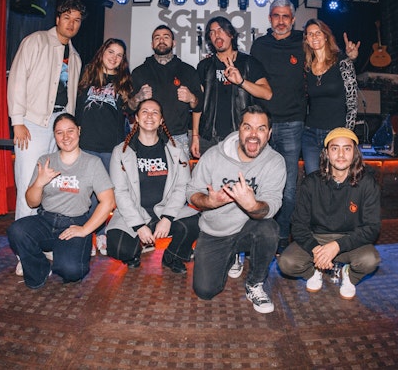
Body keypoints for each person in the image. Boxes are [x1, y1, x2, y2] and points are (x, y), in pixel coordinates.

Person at [250, 0, 359, 254]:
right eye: (276, 16)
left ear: (292, 19)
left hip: (297, 126)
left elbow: (351, 99)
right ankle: (257, 236)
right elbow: (251, 77)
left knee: (292, 187)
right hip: (269, 126)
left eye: (285, 16)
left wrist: (351, 57)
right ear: (269, 18)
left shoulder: (309, 46)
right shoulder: (262, 46)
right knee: (262, 183)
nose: (280, 21)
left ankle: (287, 237)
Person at [187, 105, 286, 314]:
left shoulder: (275, 162)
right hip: (216, 231)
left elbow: (273, 204)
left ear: (269, 133)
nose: (253, 134)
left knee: (269, 229)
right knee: (205, 291)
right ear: (239, 129)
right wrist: (210, 202)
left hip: (247, 229)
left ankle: (255, 283)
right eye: (248, 127)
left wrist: (252, 206)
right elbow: (192, 192)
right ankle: (232, 256)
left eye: (261, 129)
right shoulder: (214, 155)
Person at [6, 113, 116, 289]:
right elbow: (32, 202)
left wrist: (85, 229)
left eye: (70, 131)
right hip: (46, 220)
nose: (65, 137)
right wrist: (39, 183)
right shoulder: (46, 161)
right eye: (59, 133)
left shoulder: (92, 163)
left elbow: (108, 201)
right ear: (54, 136)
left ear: (79, 131)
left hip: (74, 223)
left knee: (71, 271)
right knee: (17, 230)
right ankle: (40, 270)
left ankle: (65, 254)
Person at [277, 127, 381, 300]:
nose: (341, 154)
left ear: (355, 153)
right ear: (326, 153)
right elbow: (298, 225)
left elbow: (372, 228)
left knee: (370, 260)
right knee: (287, 263)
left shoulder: (367, 183)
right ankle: (315, 271)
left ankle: (349, 275)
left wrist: (337, 246)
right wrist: (316, 249)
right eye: (334, 148)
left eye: (347, 148)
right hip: (317, 238)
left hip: (350, 240)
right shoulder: (311, 182)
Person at [8, 0, 85, 221]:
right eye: (67, 18)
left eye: (77, 20)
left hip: (60, 125)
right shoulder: (36, 41)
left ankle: (42, 233)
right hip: (32, 123)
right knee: (29, 181)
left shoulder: (75, 56)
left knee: (52, 182)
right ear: (58, 19)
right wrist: (17, 121)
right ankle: (24, 239)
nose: (71, 24)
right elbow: (17, 80)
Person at [106, 99, 200, 273]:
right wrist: (138, 226)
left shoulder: (176, 149)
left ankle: (173, 256)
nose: (150, 116)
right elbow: (120, 192)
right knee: (118, 247)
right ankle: (133, 253)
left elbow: (182, 186)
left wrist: (167, 218)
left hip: (164, 211)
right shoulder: (121, 151)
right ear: (136, 118)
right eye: (145, 111)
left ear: (161, 120)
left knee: (196, 222)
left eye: (155, 112)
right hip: (135, 212)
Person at [76, 38, 132, 255]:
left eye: (119, 55)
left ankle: (101, 233)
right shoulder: (87, 75)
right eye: (111, 52)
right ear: (102, 53)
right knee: (85, 195)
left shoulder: (124, 81)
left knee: (105, 195)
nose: (114, 57)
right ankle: (86, 235)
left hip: (110, 147)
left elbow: (130, 111)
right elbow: (78, 107)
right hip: (86, 144)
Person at [191, 16, 272, 158]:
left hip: (239, 136)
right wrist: (195, 136)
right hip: (208, 136)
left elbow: (267, 94)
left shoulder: (248, 63)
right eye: (212, 32)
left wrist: (241, 82)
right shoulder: (205, 66)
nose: (216, 35)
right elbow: (199, 105)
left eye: (221, 30)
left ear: (231, 34)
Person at [129, 25, 202, 160]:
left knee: (181, 174)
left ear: (174, 43)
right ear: (152, 44)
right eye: (157, 38)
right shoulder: (139, 72)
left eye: (166, 37)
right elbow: (128, 107)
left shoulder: (188, 71)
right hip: (146, 136)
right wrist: (137, 98)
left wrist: (192, 98)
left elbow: (199, 105)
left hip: (178, 138)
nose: (161, 40)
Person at [300, 19, 358, 175]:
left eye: (318, 33)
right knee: (313, 180)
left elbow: (352, 101)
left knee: (334, 180)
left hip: (336, 133)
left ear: (326, 36)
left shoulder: (342, 62)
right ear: (306, 40)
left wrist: (346, 134)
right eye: (310, 34)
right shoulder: (306, 67)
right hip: (310, 133)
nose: (314, 37)